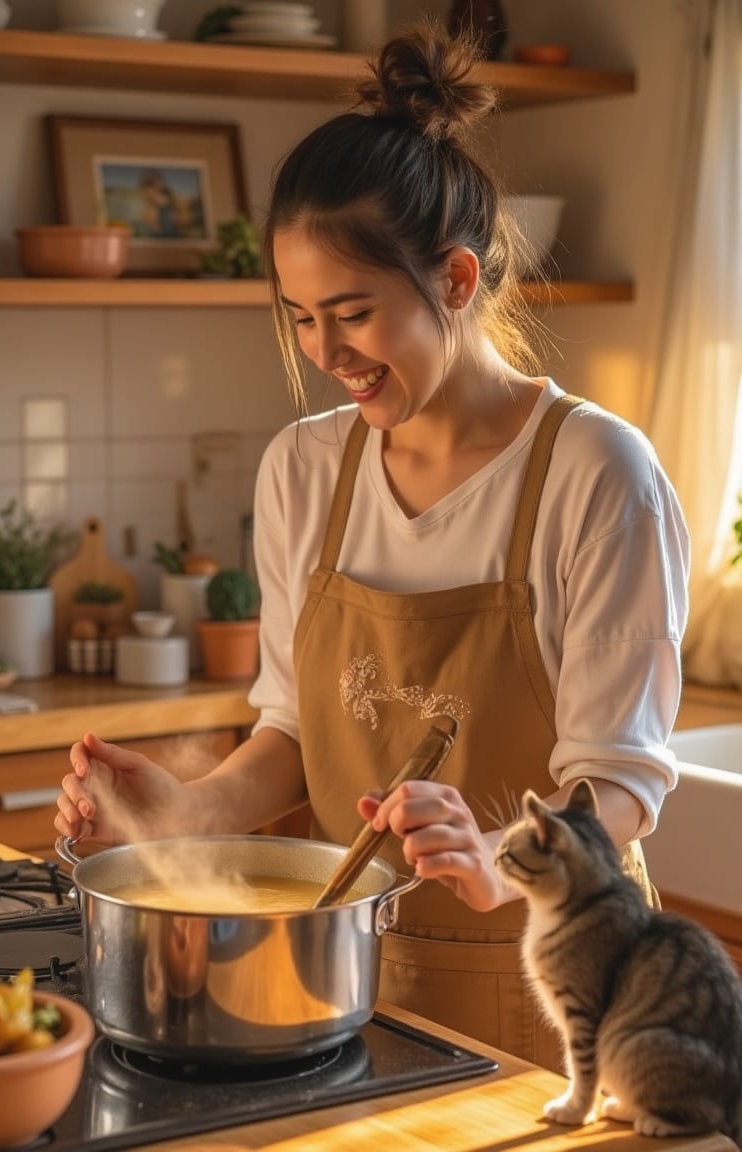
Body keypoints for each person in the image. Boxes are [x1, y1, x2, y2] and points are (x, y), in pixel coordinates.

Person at [55, 19, 690, 1069]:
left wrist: (491, 858)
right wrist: (181, 811)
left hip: (562, 974)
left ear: (452, 279)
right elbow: (294, 738)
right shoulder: (304, 470)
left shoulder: (595, 473)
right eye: (301, 317)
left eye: (351, 312)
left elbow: (618, 785)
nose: (325, 353)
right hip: (351, 975)